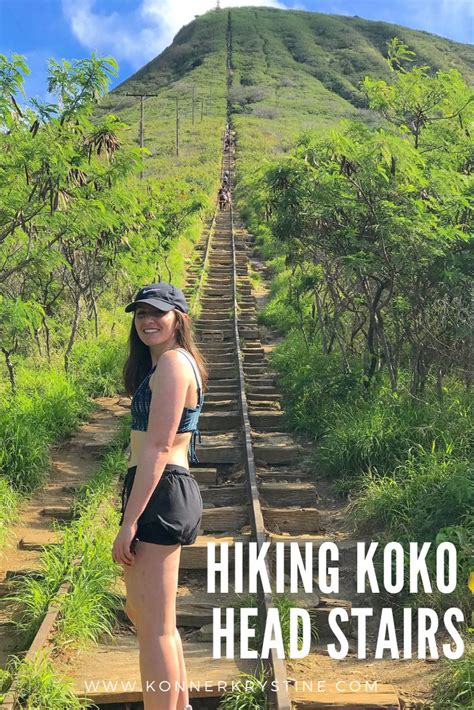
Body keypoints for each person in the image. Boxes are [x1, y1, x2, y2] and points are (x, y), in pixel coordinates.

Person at [112, 282, 207, 710]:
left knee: (155, 629)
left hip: (161, 486)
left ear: (178, 319)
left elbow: (158, 446)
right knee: (149, 618)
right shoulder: (168, 364)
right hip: (161, 486)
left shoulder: (171, 363)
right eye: (141, 313)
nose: (148, 320)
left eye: (158, 313)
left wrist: (129, 522)